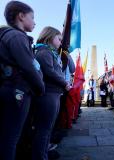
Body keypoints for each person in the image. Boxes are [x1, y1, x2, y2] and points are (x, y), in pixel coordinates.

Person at [0, 1, 45, 160]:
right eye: (32, 17)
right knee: (10, 138)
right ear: (21, 16)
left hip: (10, 89)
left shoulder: (8, 36)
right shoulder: (16, 36)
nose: (34, 22)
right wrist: (41, 87)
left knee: (8, 136)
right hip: (18, 91)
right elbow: (29, 67)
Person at [32, 26, 71, 160]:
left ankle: (44, 154)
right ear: (49, 36)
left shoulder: (50, 52)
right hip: (48, 94)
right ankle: (40, 156)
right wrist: (65, 83)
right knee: (43, 129)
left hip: (54, 94)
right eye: (59, 39)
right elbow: (50, 71)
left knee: (48, 128)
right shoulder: (44, 51)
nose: (61, 42)